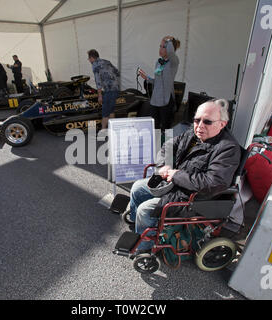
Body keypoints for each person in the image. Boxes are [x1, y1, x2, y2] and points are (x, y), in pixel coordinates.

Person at [128, 99, 241, 252]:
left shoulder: (227, 149)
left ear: (222, 124)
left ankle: (145, 247)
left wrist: (177, 175)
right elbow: (169, 145)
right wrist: (164, 164)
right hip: (177, 183)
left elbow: (212, 183)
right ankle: (139, 228)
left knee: (145, 209)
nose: (200, 125)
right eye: (197, 119)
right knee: (137, 188)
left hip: (194, 197)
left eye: (207, 121)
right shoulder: (194, 133)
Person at [138, 36, 180, 133]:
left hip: (166, 100)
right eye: (160, 46)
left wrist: (169, 40)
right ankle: (157, 147)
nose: (160, 49)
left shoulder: (174, 61)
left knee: (166, 129)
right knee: (155, 128)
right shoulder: (158, 62)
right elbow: (157, 81)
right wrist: (147, 78)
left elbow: (170, 52)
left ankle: (167, 148)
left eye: (163, 47)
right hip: (155, 100)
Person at [87, 49, 120, 130]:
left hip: (109, 91)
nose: (89, 60)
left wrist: (100, 96)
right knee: (111, 110)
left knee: (105, 113)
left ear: (92, 58)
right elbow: (117, 72)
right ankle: (113, 130)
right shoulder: (107, 61)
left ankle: (103, 131)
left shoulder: (95, 64)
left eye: (89, 58)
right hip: (116, 89)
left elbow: (98, 81)